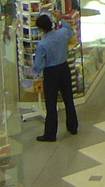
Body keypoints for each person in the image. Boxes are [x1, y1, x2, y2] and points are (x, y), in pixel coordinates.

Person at [32, 13, 78, 141]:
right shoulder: (62, 33)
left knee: (51, 104)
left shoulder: (42, 45)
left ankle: (50, 134)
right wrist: (61, 18)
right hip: (64, 68)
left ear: (41, 29)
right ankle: (73, 126)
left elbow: (38, 66)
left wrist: (35, 72)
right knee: (68, 99)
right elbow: (69, 29)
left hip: (51, 73)